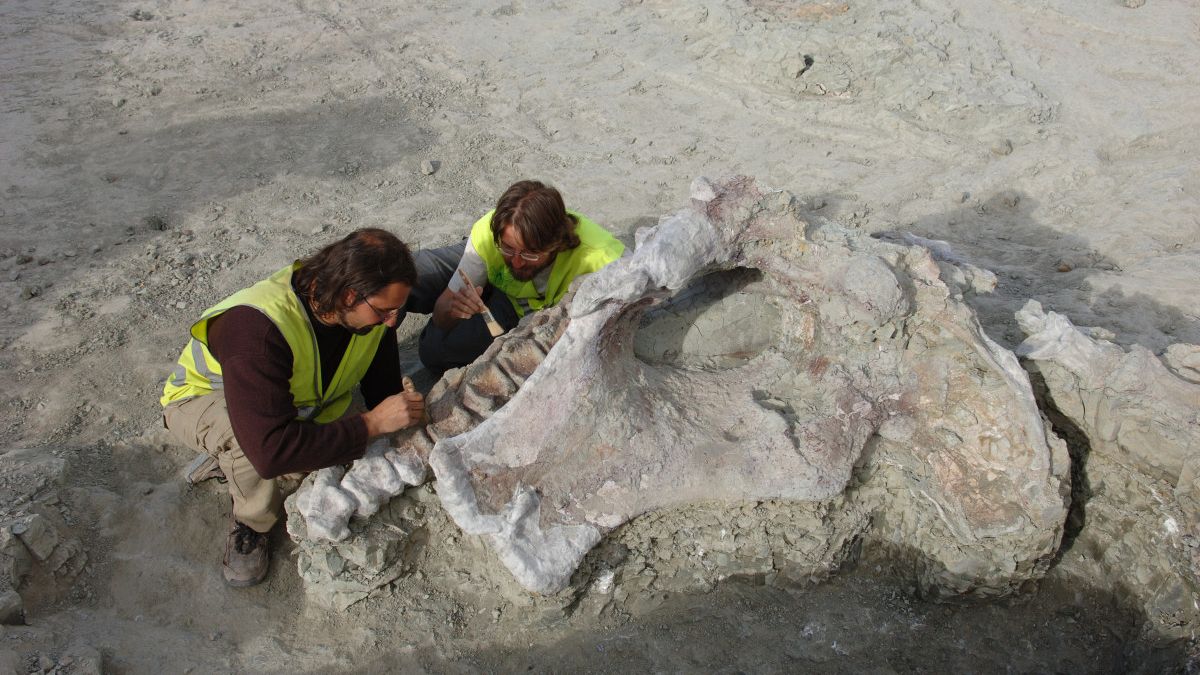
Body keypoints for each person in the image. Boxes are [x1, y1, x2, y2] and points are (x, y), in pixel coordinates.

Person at [160, 228, 426, 587]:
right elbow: (272, 452)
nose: (393, 321)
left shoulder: (369, 315)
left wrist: (399, 417)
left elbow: (383, 388)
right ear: (350, 295)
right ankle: (251, 525)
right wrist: (371, 424)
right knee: (254, 450)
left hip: (294, 402)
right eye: (384, 311)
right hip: (204, 397)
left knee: (327, 453)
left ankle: (242, 455)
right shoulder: (257, 328)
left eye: (398, 309)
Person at [409, 180, 625, 373]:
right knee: (402, 271)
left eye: (531, 254)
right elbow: (444, 309)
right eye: (509, 248)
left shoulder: (604, 259)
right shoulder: (488, 235)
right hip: (488, 266)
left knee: (435, 353)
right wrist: (451, 311)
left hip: (519, 306)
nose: (518, 262)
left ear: (556, 244)